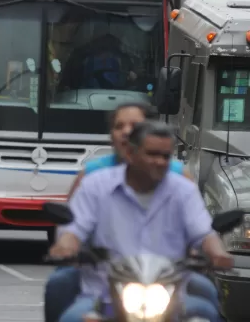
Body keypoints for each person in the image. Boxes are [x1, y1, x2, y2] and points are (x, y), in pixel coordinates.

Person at [44, 102, 216, 322]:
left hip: (165, 282)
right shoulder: (92, 176)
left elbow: (198, 228)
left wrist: (204, 251)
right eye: (119, 126)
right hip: (102, 279)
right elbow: (72, 224)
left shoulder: (179, 179)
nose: (126, 131)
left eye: (134, 125)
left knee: (207, 296)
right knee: (60, 286)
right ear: (111, 135)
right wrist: (68, 244)